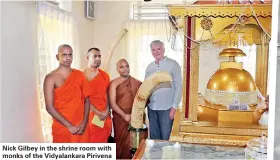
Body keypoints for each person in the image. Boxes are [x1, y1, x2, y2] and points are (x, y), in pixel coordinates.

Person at [43, 44, 91, 143]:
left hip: (80, 125)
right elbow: (49, 107)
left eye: (70, 55)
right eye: (64, 55)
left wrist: (84, 122)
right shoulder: (50, 78)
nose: (68, 58)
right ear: (57, 57)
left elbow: (87, 100)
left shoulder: (79, 75)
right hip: (62, 126)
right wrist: (69, 126)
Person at [145, 40, 182, 140]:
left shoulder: (173, 64)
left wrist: (174, 108)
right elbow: (146, 88)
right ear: (151, 51)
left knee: (166, 139)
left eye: (159, 49)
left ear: (164, 49)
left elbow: (179, 87)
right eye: (153, 50)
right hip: (152, 108)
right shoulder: (149, 67)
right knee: (154, 139)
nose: (156, 52)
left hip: (167, 109)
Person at [109, 59, 142, 159]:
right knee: (120, 142)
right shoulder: (113, 83)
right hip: (120, 117)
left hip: (134, 116)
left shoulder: (137, 83)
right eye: (121, 67)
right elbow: (112, 103)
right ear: (117, 70)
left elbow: (142, 101)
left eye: (127, 66)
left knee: (134, 143)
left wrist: (134, 114)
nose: (125, 69)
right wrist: (124, 116)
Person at [84, 48, 112, 143]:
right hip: (91, 115)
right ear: (87, 58)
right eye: (94, 56)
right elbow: (83, 99)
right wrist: (99, 113)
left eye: (99, 56)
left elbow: (107, 95)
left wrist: (106, 110)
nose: (98, 58)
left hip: (104, 116)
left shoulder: (105, 75)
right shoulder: (81, 76)